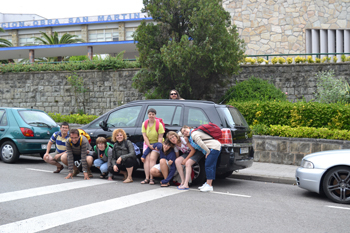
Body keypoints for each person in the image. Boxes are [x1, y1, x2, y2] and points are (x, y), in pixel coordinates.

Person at [180, 125, 221, 192]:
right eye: (183, 133)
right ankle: (208, 183)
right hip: (213, 147)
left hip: (213, 148)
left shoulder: (194, 134)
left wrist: (207, 151)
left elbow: (201, 143)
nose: (184, 132)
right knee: (211, 166)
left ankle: (209, 185)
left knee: (209, 166)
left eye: (185, 130)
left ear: (188, 128)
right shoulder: (192, 134)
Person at [141, 108, 165, 185]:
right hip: (147, 143)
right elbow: (144, 136)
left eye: (153, 114)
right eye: (150, 114)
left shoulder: (159, 124)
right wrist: (149, 145)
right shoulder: (144, 123)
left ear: (155, 115)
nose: (151, 116)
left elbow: (160, 137)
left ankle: (152, 178)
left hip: (157, 143)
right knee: (146, 158)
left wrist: (157, 145)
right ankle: (146, 178)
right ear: (148, 115)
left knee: (152, 158)